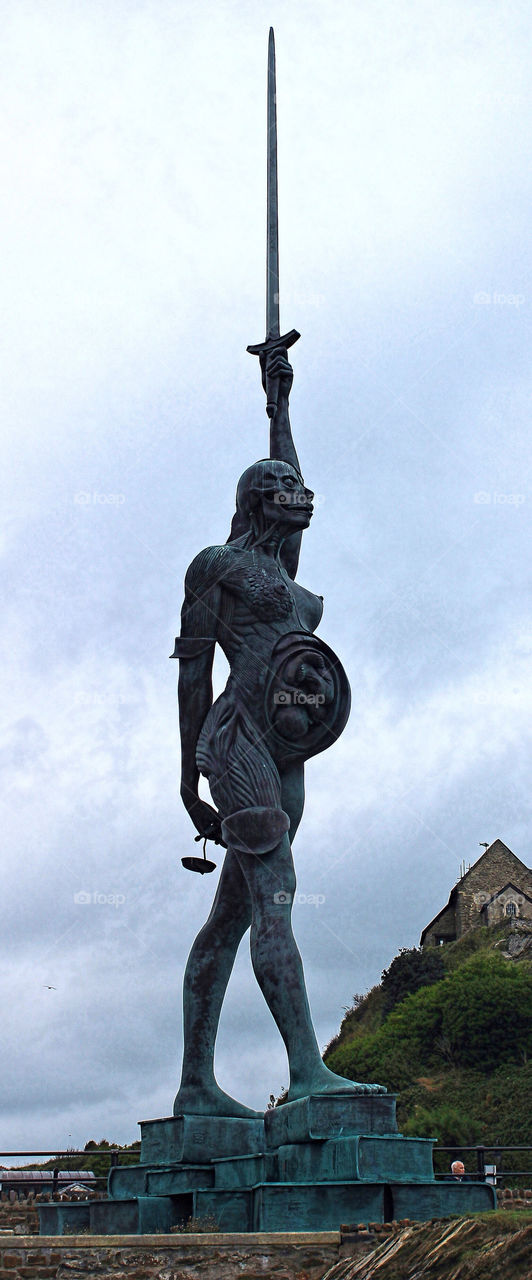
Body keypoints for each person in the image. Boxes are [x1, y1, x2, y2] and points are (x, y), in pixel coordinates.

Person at [172, 349, 385, 1118]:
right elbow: (193, 673)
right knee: (274, 900)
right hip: (237, 748)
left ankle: (195, 1087)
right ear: (259, 501)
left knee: (228, 917)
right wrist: (186, 777)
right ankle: (307, 1073)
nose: (301, 494)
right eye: (285, 488)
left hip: (287, 751)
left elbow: (283, 466)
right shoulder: (217, 567)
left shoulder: (286, 572)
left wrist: (280, 400)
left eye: (301, 486)